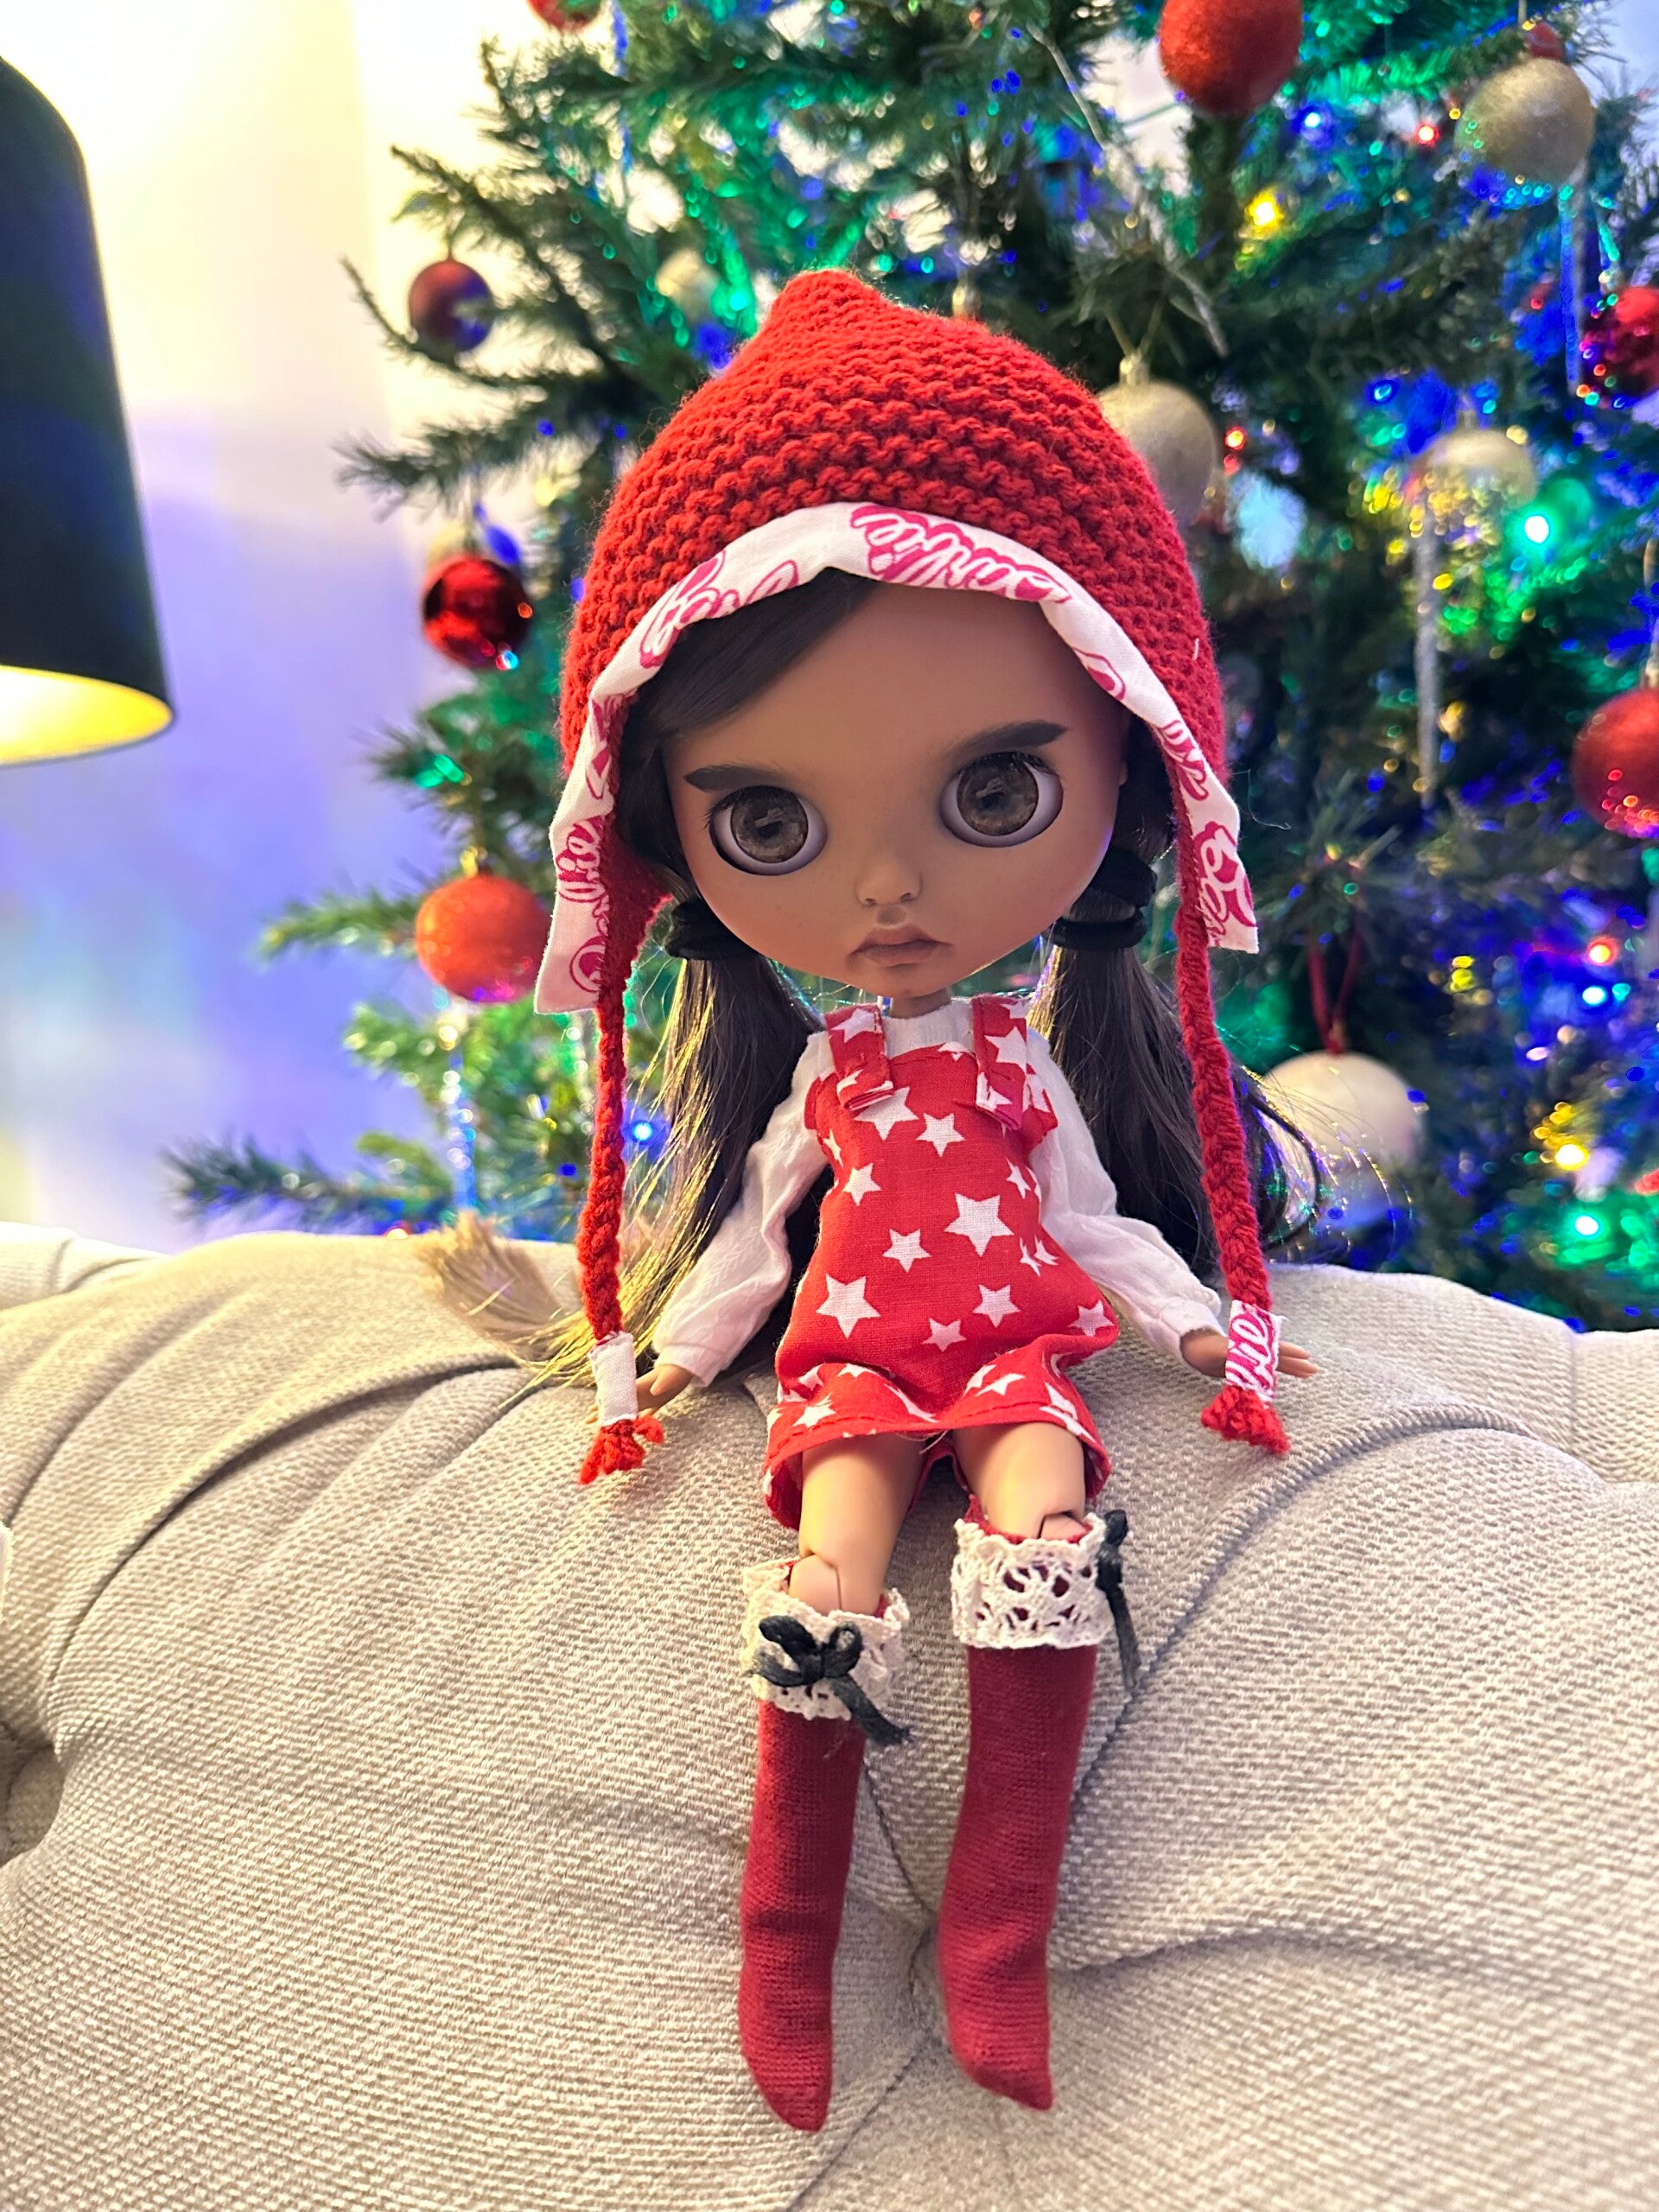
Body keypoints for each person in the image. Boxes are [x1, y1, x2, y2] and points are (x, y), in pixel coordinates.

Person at [443, 270, 1317, 2133]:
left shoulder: (1011, 1064)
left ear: (1133, 766)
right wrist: (660, 1367)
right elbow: (757, 1235)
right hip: (849, 1359)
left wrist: (1200, 1328)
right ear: (668, 838)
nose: (889, 890)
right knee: (826, 1582)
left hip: (1010, 1353)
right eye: (768, 822)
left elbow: (1093, 1220)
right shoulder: (832, 1079)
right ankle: (788, 1945)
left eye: (995, 788)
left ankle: (998, 1932)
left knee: (1044, 1527)